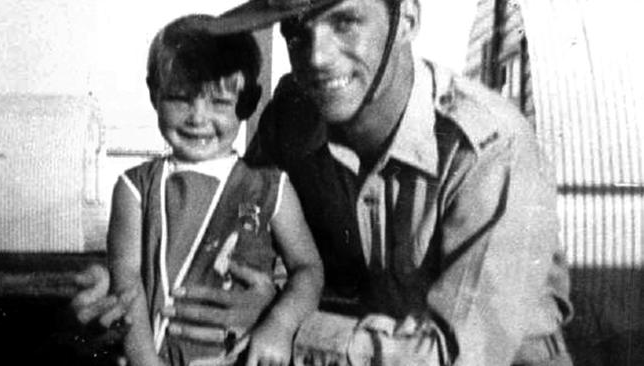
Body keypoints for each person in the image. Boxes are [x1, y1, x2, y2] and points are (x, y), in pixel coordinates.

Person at [72, 0, 573, 365]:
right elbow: (235, 227)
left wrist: (286, 325)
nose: (316, 56)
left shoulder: (489, 150)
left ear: (408, 21)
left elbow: (457, 356)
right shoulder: (293, 113)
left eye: (346, 20)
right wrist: (135, 279)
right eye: (296, 29)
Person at [92, 13, 324, 366]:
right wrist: (143, 359)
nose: (198, 117)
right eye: (181, 98)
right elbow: (127, 284)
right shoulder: (134, 188)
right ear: (154, 93)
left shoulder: (270, 186)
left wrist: (280, 324)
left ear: (247, 102)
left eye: (219, 102)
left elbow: (308, 268)